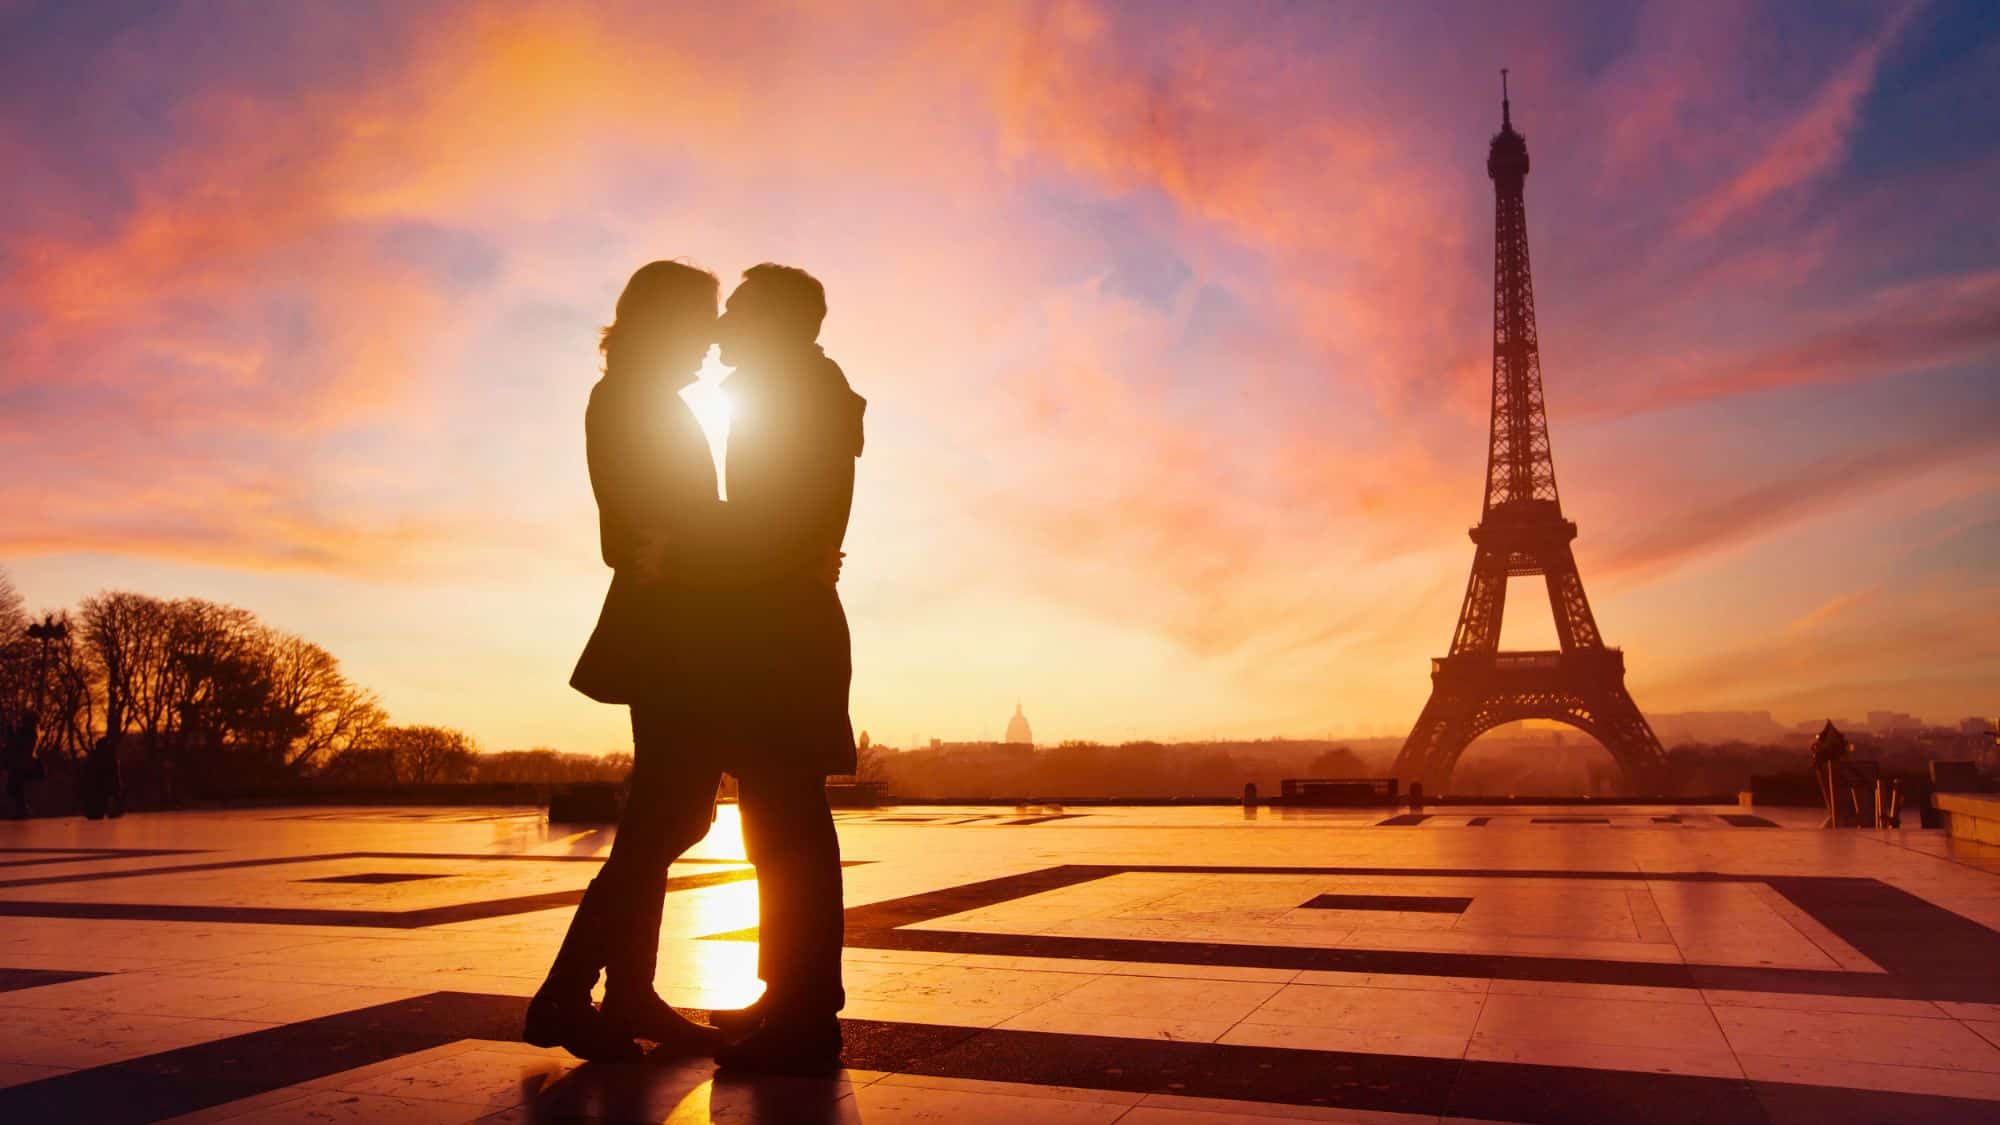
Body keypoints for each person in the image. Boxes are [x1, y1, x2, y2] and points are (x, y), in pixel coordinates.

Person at [525, 261, 735, 1062]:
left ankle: (609, 994)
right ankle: (581, 995)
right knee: (667, 816)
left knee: (669, 814)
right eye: (704, 319)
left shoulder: (643, 396)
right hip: (674, 629)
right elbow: (642, 527)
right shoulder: (636, 401)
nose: (712, 337)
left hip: (674, 623)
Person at [706, 264, 865, 1074]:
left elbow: (772, 526)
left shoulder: (796, 395)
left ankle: (804, 1007)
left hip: (781, 625)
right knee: (779, 818)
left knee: (787, 820)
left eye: (737, 308)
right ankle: (792, 993)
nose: (724, 321)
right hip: (784, 619)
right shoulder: (802, 388)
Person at [4, 708, 41, 819]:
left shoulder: (30, 733)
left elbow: (17, 744)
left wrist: (11, 730)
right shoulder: (27, 731)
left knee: (14, 786)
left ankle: (23, 810)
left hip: (24, 765)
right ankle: (22, 810)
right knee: (15, 787)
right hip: (21, 764)